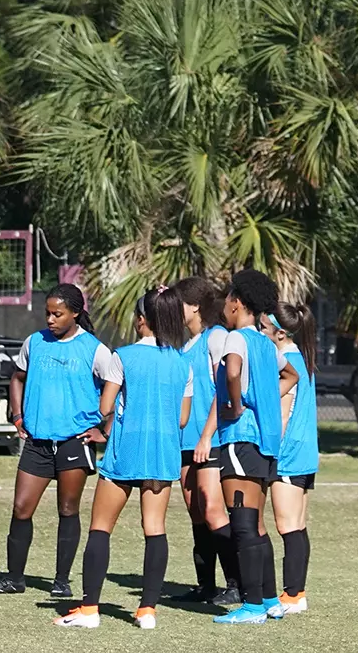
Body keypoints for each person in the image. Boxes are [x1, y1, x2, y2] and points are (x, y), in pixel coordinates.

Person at [55, 288, 195, 630]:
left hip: (124, 450)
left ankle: (89, 609)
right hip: (163, 453)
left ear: (142, 320)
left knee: (101, 527)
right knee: (155, 529)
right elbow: (182, 419)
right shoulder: (182, 362)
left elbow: (105, 407)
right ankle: (147, 610)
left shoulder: (123, 356)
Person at [0, 285, 117, 596]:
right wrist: (17, 415)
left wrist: (104, 430)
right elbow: (17, 378)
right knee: (21, 508)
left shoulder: (95, 349)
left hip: (74, 442)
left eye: (58, 314)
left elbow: (117, 387)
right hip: (37, 443)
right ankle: (14, 578)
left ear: (75, 314)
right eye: (47, 313)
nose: (51, 319)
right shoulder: (34, 342)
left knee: (67, 510)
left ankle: (61, 582)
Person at [197, 269, 295, 625]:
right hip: (266, 442)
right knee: (255, 525)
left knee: (242, 524)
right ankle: (270, 599)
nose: (224, 305)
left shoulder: (236, 339)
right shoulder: (267, 345)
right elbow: (291, 375)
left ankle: (252, 604)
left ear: (237, 302)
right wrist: (266, 400)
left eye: (227, 298)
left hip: (241, 438)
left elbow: (233, 372)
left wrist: (237, 405)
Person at [171, 277, 233, 606]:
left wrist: (207, 435)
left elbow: (223, 389)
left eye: (179, 302)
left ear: (195, 305)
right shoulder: (185, 347)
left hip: (209, 441)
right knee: (196, 512)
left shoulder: (216, 337)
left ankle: (235, 582)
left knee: (212, 510)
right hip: (185, 441)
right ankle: (205, 585)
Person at [271, 300, 319, 614]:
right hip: (306, 452)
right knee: (298, 525)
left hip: (288, 453)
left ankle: (290, 595)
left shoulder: (285, 361)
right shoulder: (302, 357)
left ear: (278, 333)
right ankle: (297, 592)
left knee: (287, 526)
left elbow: (284, 414)